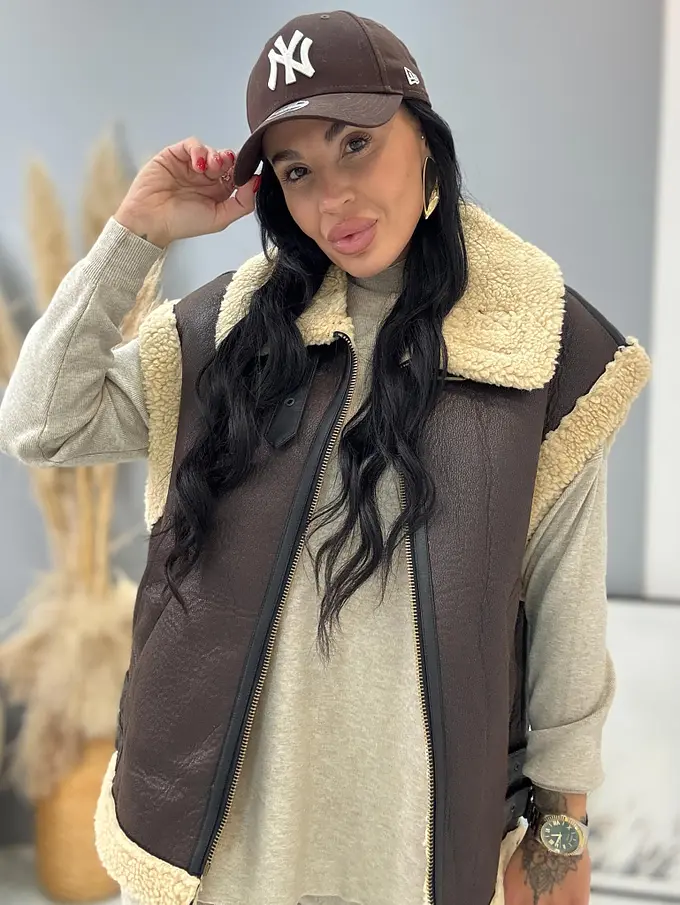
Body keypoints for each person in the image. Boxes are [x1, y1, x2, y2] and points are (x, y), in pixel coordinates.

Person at [0, 11, 651, 905]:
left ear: (424, 138)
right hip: (220, 856)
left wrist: (560, 833)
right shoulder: (231, 333)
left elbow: (567, 618)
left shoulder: (536, 343)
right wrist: (136, 233)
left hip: (413, 853)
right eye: (297, 170)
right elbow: (42, 421)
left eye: (356, 144)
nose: (333, 198)